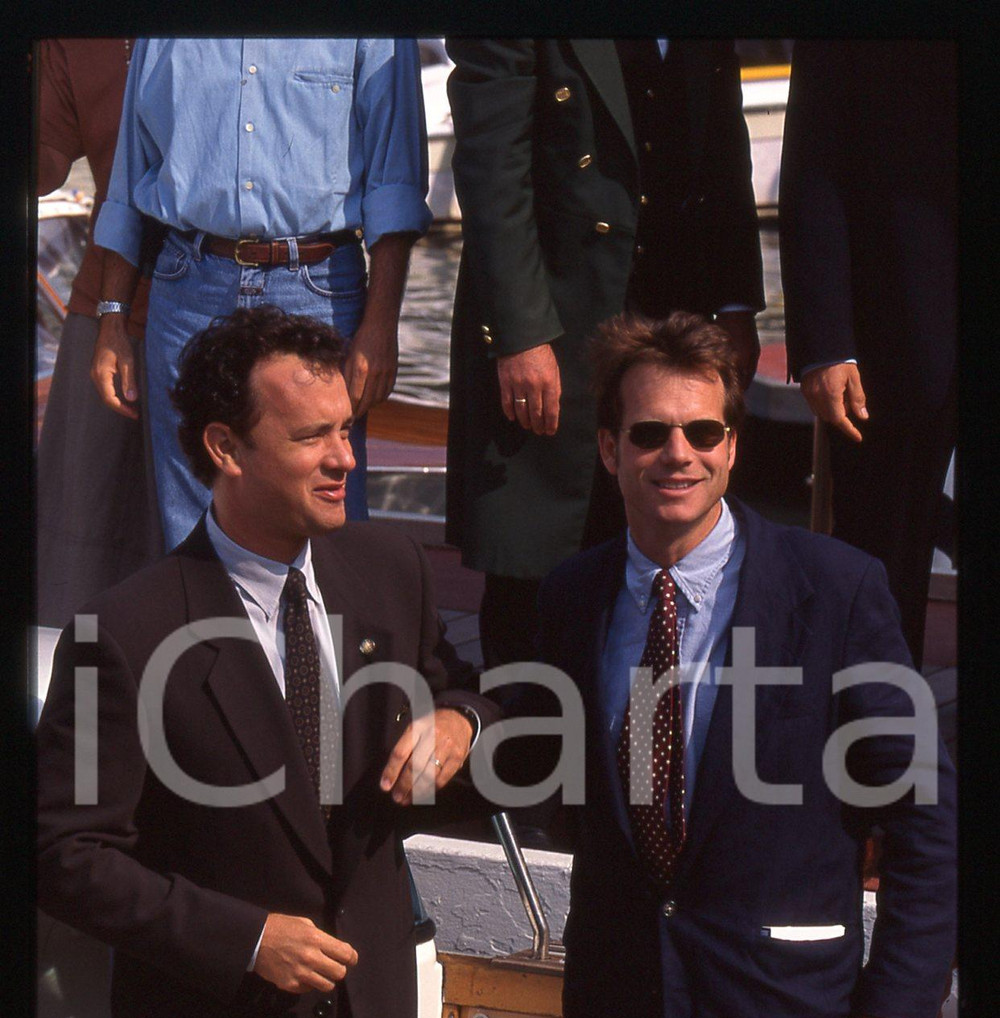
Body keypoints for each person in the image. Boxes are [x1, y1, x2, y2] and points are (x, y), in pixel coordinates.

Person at [36, 306, 497, 1018]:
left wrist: (461, 722)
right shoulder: (125, 635)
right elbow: (61, 850)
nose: (347, 460)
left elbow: (462, 692)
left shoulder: (390, 571)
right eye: (312, 437)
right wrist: (244, 940)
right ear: (226, 447)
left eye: (347, 430)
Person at [519, 311, 956, 1018]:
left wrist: (897, 1010)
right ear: (607, 448)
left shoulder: (835, 591)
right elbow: (528, 747)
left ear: (732, 442)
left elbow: (926, 813)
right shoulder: (572, 597)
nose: (677, 454)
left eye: (701, 432)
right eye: (649, 433)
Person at [445, 39, 764, 670]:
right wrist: (521, 334)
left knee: (673, 566)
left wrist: (736, 303)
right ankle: (530, 749)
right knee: (535, 576)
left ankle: (652, 756)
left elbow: (726, 145)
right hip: (553, 322)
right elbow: (491, 166)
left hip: (678, 326)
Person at [90, 37, 431, 549]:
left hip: (318, 289)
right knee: (191, 514)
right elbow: (130, 179)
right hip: (188, 286)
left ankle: (315, 630)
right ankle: (211, 631)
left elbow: (395, 184)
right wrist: (112, 317)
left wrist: (380, 324)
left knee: (324, 506)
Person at [779, 40, 957, 668]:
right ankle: (885, 738)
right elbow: (811, 164)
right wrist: (825, 344)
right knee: (885, 558)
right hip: (895, 336)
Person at [36, 38, 162, 629]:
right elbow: (44, 161)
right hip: (110, 310)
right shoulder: (73, 38)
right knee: (76, 552)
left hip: (243, 309)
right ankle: (76, 705)